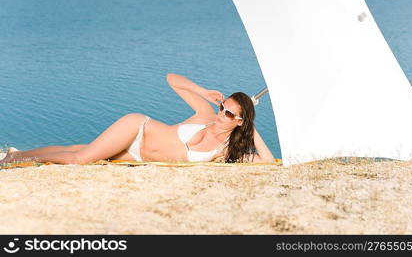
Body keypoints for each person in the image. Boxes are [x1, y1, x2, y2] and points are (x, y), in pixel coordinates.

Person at [2, 73, 275, 165]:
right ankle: (12, 160)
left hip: (138, 157)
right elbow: (172, 80)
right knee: (78, 159)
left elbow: (266, 161)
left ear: (239, 121)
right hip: (137, 129)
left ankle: (17, 153)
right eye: (222, 107)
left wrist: (252, 130)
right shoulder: (205, 113)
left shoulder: (225, 150)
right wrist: (201, 91)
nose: (220, 114)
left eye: (228, 114)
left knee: (78, 150)